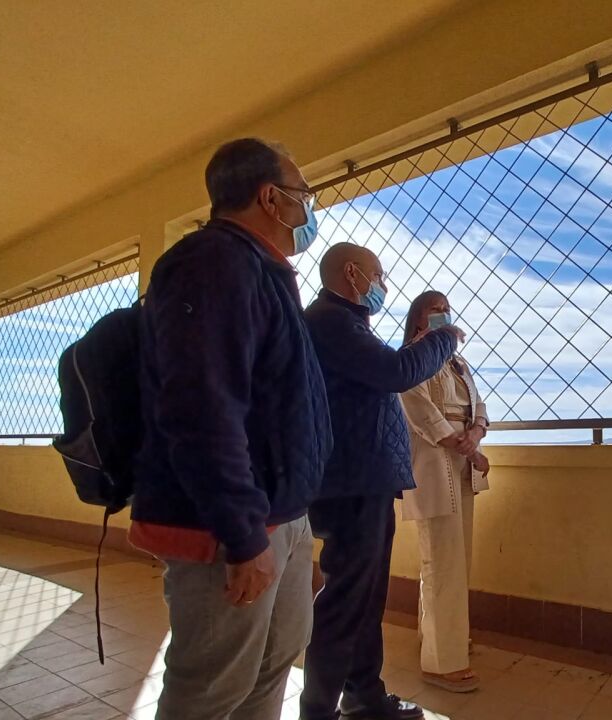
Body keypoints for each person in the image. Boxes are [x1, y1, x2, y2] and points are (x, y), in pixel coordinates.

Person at [130, 138, 332, 720]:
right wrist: (244, 535)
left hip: (280, 513)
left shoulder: (263, 272)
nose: (308, 209)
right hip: (231, 526)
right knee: (212, 688)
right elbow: (203, 409)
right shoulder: (213, 264)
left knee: (272, 665)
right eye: (303, 195)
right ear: (270, 198)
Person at [300, 244, 463, 720]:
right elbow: (394, 372)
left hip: (362, 479)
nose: (383, 285)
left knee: (365, 598)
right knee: (346, 600)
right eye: (378, 275)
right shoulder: (331, 321)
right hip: (350, 482)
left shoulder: (345, 324)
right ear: (352, 274)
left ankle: (364, 696)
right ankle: (317, 710)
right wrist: (443, 338)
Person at [397, 291, 489, 693]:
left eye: (446, 309)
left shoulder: (459, 363)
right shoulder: (411, 358)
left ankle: (441, 637)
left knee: (455, 558)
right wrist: (463, 444)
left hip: (462, 462)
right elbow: (419, 410)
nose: (443, 314)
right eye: (435, 309)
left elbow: (479, 406)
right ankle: (441, 662)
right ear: (419, 318)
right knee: (441, 560)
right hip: (434, 462)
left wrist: (475, 434)